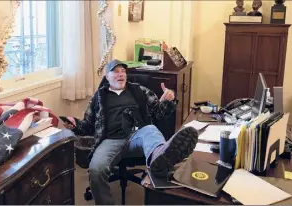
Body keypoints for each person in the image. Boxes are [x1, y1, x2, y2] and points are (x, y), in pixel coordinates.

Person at [63, 59, 198, 204]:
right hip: (110, 140)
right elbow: (88, 126)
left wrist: (169, 100)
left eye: (123, 71)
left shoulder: (139, 90)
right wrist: (75, 124)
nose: (120, 74)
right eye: (115, 71)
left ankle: (160, 159)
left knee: (151, 129)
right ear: (107, 77)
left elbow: (160, 113)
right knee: (96, 170)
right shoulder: (98, 97)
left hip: (137, 136)